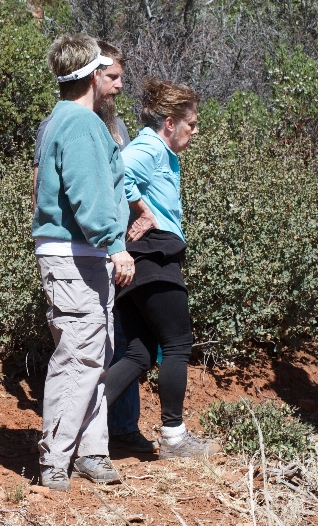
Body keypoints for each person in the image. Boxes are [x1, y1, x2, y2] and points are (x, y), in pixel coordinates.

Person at [31, 41, 155, 455]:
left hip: (73, 253)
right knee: (80, 358)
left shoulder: (58, 120)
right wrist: (115, 245)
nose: (118, 84)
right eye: (111, 74)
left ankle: (90, 451)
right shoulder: (82, 124)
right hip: (77, 254)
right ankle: (56, 456)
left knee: (90, 355)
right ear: (91, 73)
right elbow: (89, 195)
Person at [103, 80, 220, 459]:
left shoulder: (163, 153)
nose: (195, 131)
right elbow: (117, 175)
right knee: (177, 343)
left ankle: (83, 422)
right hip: (153, 255)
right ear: (170, 122)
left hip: (142, 258)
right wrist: (143, 211)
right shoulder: (150, 149)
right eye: (191, 124)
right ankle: (174, 437)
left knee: (139, 354)